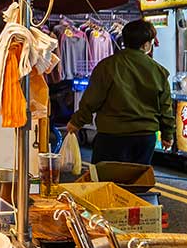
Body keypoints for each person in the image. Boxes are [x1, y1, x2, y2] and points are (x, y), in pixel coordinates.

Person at [69, 19, 173, 166]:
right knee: (135, 182)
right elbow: (165, 107)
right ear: (146, 44)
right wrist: (167, 134)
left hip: (111, 136)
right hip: (144, 137)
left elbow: (91, 100)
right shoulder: (159, 71)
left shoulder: (107, 66)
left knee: (106, 182)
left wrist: (76, 122)